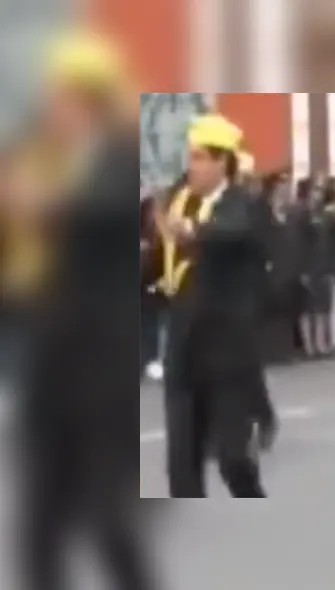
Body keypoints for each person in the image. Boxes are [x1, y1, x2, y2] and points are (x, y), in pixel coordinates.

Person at [8, 29, 156, 590]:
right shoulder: (47, 159)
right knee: (37, 522)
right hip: (51, 358)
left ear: (90, 98)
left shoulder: (118, 157)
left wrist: (39, 202)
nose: (54, 107)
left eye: (65, 96)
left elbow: (100, 212)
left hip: (101, 362)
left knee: (106, 517)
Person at [157, 114, 271, 497]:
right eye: (190, 157)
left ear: (223, 162)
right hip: (183, 348)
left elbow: (231, 232)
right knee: (181, 468)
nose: (192, 166)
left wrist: (191, 231)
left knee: (232, 460)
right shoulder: (179, 200)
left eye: (200, 157)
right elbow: (160, 258)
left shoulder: (244, 204)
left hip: (227, 353)